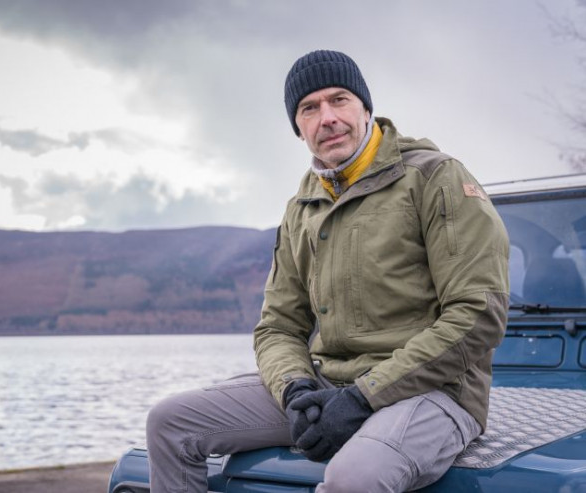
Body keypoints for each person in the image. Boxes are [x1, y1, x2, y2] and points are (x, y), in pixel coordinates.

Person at [146, 49, 509, 492]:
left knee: (354, 477)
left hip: (435, 390)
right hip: (329, 383)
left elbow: (478, 314)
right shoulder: (302, 207)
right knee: (170, 423)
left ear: (366, 108)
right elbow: (278, 326)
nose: (328, 118)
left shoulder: (436, 178)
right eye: (310, 108)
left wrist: (364, 396)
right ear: (298, 129)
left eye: (339, 100)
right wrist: (295, 389)